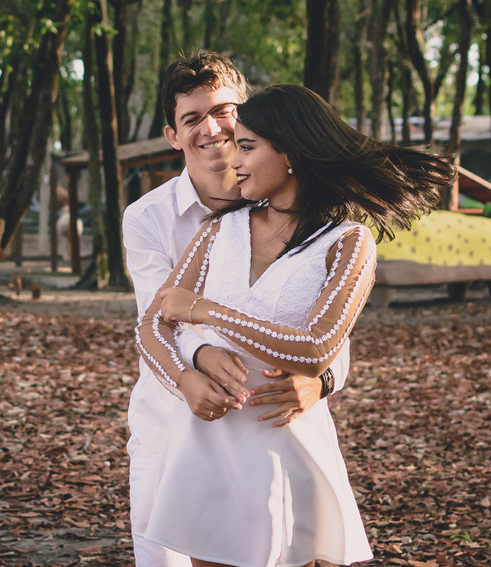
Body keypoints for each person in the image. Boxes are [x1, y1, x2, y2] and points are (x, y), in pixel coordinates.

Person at [136, 84, 456, 567]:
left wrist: (206, 311)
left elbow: (315, 349)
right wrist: (185, 379)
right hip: (205, 442)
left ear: (290, 154)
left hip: (281, 445)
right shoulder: (219, 229)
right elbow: (152, 326)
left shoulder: (348, 243)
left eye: (247, 147)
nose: (234, 160)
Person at [123, 53, 351, 567]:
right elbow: (160, 318)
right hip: (172, 420)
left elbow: (330, 324)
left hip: (271, 424)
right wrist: (198, 359)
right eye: (192, 118)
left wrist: (321, 380)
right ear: (173, 135)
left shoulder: (315, 221)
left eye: (223, 111)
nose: (211, 128)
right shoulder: (148, 218)